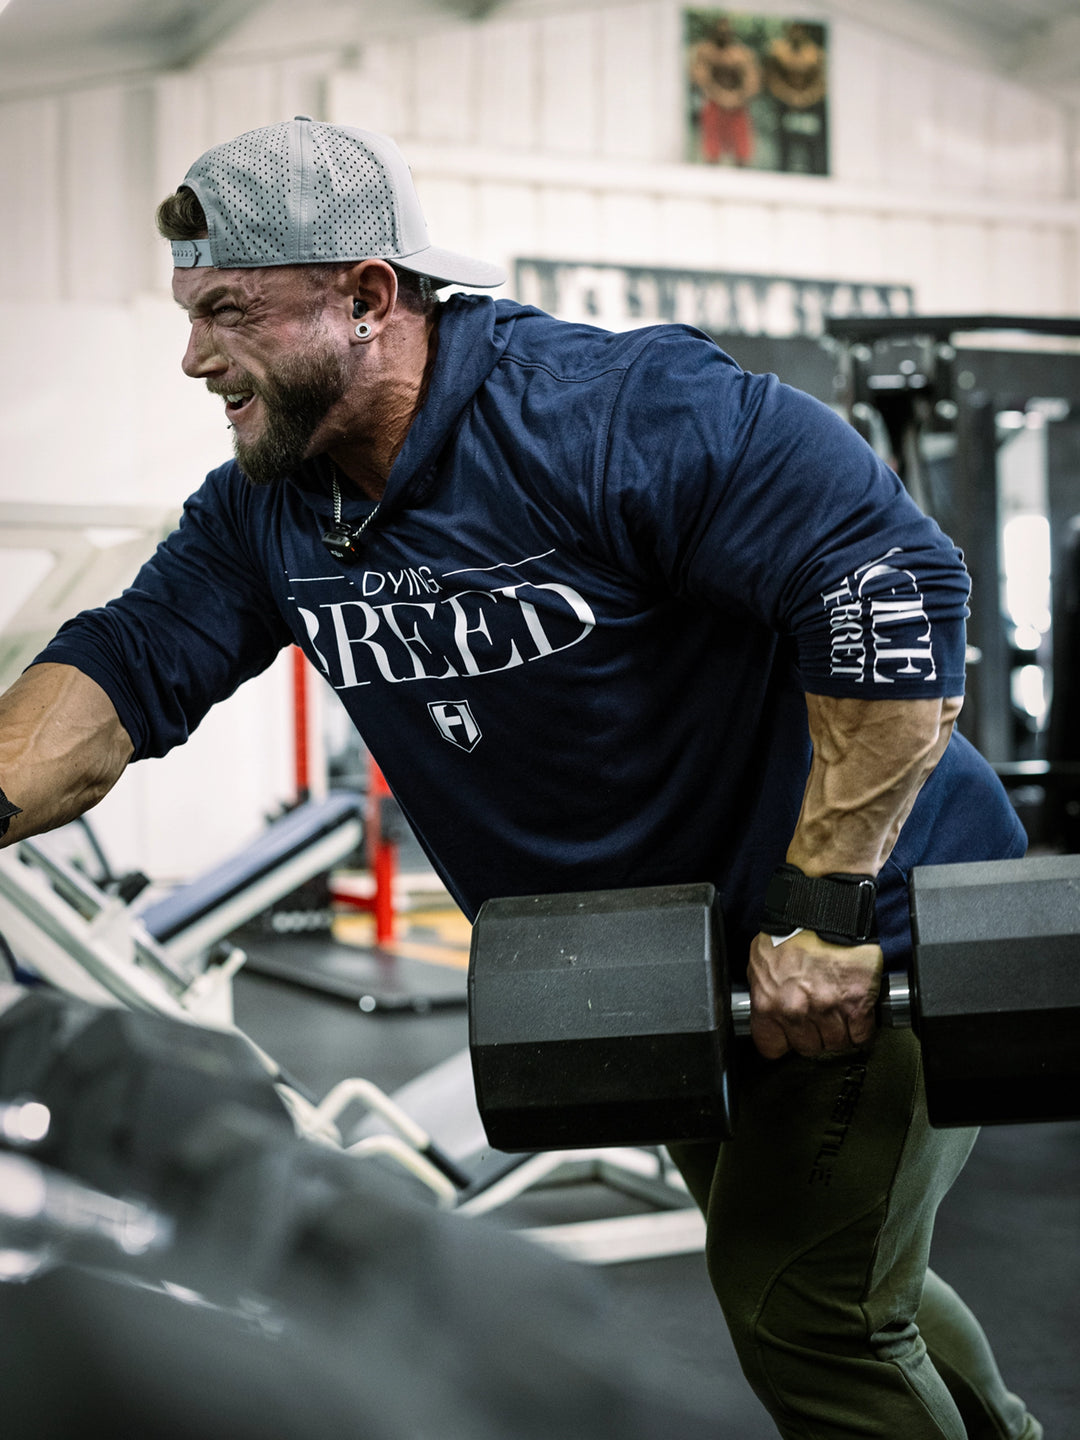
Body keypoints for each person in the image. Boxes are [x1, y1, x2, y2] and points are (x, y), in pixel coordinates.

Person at [0, 117, 1042, 1440]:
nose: (196, 356)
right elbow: (122, 669)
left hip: (858, 921)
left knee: (807, 1309)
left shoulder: (613, 412)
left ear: (366, 296)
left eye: (230, 313)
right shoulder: (270, 510)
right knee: (831, 1277)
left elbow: (890, 588)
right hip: (661, 964)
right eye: (191, 315)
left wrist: (826, 906)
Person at [688, 16, 760, 167]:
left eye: (726, 32)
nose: (723, 35)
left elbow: (752, 80)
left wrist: (737, 97)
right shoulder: (705, 52)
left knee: (742, 151)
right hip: (714, 103)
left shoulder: (742, 54)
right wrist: (721, 96)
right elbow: (701, 78)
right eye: (720, 31)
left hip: (737, 105)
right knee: (712, 150)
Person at [764, 22, 829, 174]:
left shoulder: (815, 53)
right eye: (793, 29)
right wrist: (789, 96)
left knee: (811, 145)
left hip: (810, 106)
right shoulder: (777, 51)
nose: (796, 33)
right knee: (784, 147)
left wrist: (806, 97)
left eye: (799, 29)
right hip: (784, 105)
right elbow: (772, 79)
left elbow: (821, 83)